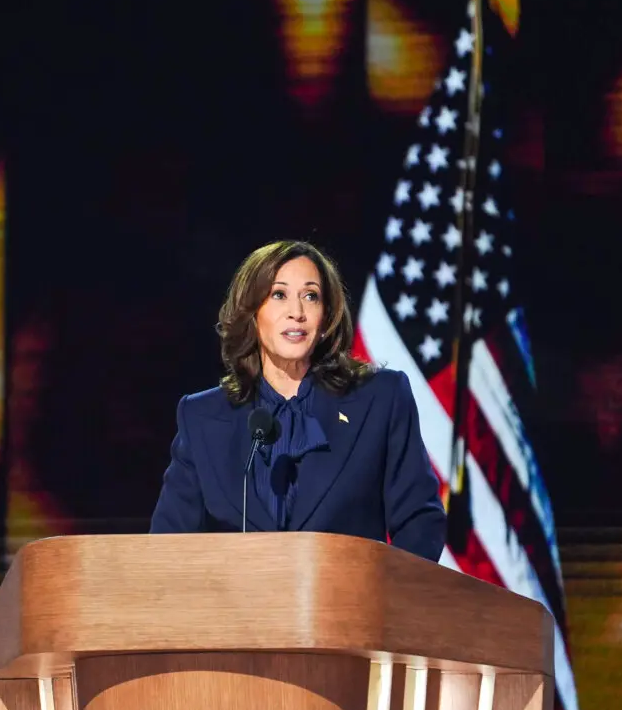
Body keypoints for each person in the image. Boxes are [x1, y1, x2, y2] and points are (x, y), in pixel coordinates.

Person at [149, 240, 447, 562]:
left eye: (311, 296)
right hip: (240, 610)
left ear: (326, 318)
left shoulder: (380, 398)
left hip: (350, 607)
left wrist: (382, 603)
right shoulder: (202, 416)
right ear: (252, 313)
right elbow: (168, 547)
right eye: (279, 295)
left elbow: (420, 522)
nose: (297, 312)